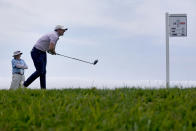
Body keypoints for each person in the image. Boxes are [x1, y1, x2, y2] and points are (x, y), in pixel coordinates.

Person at [23, 25, 68, 89]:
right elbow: (50, 48)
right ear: (58, 30)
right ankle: (24, 85)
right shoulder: (54, 36)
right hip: (36, 52)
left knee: (43, 71)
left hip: (42, 52)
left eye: (64, 30)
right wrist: (52, 51)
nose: (64, 31)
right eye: (63, 30)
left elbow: (51, 48)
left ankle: (43, 89)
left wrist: (53, 51)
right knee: (40, 71)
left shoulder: (55, 36)